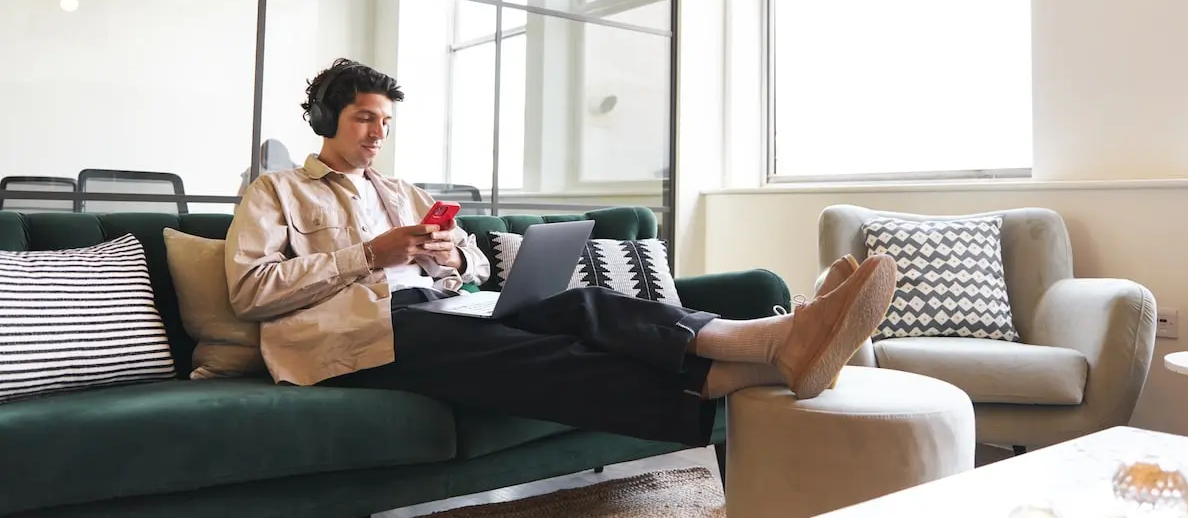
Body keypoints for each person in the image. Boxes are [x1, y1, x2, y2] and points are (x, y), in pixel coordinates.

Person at [224, 58, 899, 448]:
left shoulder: (402, 190)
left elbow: (476, 264)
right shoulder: (275, 192)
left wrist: (450, 259)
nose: (378, 133)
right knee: (541, 352)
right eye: (365, 118)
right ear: (325, 120)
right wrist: (370, 254)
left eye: (386, 122)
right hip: (353, 338)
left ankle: (772, 340)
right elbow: (250, 292)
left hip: (436, 308)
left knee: (582, 303)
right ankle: (775, 354)